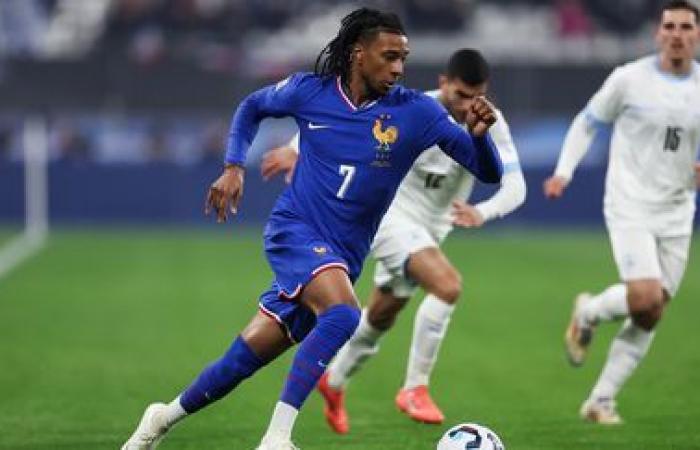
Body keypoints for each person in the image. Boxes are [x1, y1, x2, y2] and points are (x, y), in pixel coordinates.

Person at [121, 8, 502, 450]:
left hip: (343, 256)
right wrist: (233, 166)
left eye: (404, 57)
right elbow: (252, 107)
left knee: (241, 361)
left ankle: (161, 419)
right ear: (359, 54)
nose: (399, 68)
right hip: (295, 233)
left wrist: (478, 136)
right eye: (389, 56)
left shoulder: (417, 113)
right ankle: (277, 439)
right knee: (343, 314)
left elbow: (485, 170)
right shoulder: (310, 92)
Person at [262, 48, 525, 434]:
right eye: (461, 96)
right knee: (447, 286)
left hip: (434, 229)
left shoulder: (488, 121)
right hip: (390, 218)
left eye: (477, 95)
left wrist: (483, 212)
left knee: (383, 313)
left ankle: (333, 382)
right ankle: (415, 388)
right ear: (443, 85)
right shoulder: (412, 108)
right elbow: (347, 123)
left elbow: (516, 185)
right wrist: (295, 148)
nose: (469, 105)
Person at [543, 0, 700, 425]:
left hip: (677, 210)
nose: (677, 34)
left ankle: (600, 394)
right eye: (670, 26)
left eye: (686, 27)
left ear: (697, 34)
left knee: (651, 311)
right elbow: (587, 122)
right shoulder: (629, 80)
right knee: (645, 296)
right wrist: (563, 171)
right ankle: (591, 325)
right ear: (658, 33)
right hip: (629, 203)